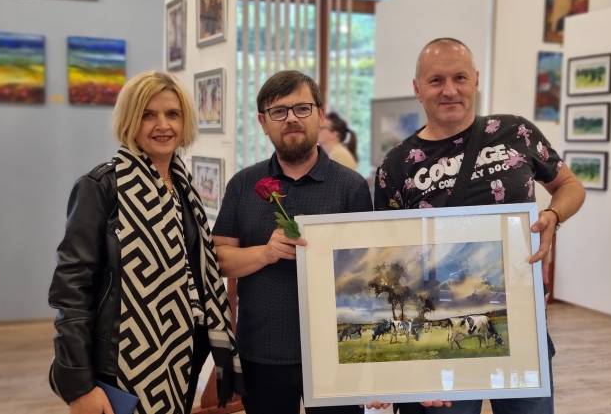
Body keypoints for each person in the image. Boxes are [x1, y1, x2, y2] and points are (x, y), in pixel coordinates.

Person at [372, 38, 586, 414]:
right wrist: (398, 366)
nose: (449, 90)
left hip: (522, 322)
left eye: (460, 77)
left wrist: (553, 215)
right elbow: (391, 259)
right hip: (443, 325)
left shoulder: (516, 132)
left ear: (475, 80)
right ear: (417, 88)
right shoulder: (396, 165)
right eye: (436, 80)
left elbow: (570, 185)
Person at [48, 70, 243, 414]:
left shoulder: (183, 187)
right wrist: (79, 386)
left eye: (172, 114)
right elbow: (71, 291)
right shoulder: (101, 187)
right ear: (130, 120)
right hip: (120, 361)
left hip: (183, 354)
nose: (162, 125)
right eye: (148, 115)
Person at [212, 70, 372, 414]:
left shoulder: (352, 187)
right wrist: (265, 253)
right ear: (262, 122)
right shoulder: (243, 184)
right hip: (262, 352)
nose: (291, 119)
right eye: (279, 111)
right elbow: (220, 259)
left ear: (320, 114)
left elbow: (368, 271)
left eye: (302, 108)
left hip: (336, 351)